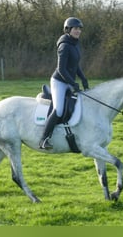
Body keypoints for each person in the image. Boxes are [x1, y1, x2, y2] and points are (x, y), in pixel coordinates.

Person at [39, 17, 89, 150]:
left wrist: (83, 79)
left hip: (68, 81)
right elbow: (61, 69)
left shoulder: (75, 44)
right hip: (59, 81)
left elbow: (75, 65)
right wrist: (73, 83)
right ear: (68, 30)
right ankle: (44, 139)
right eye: (75, 29)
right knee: (59, 110)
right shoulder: (64, 46)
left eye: (79, 29)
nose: (78, 31)